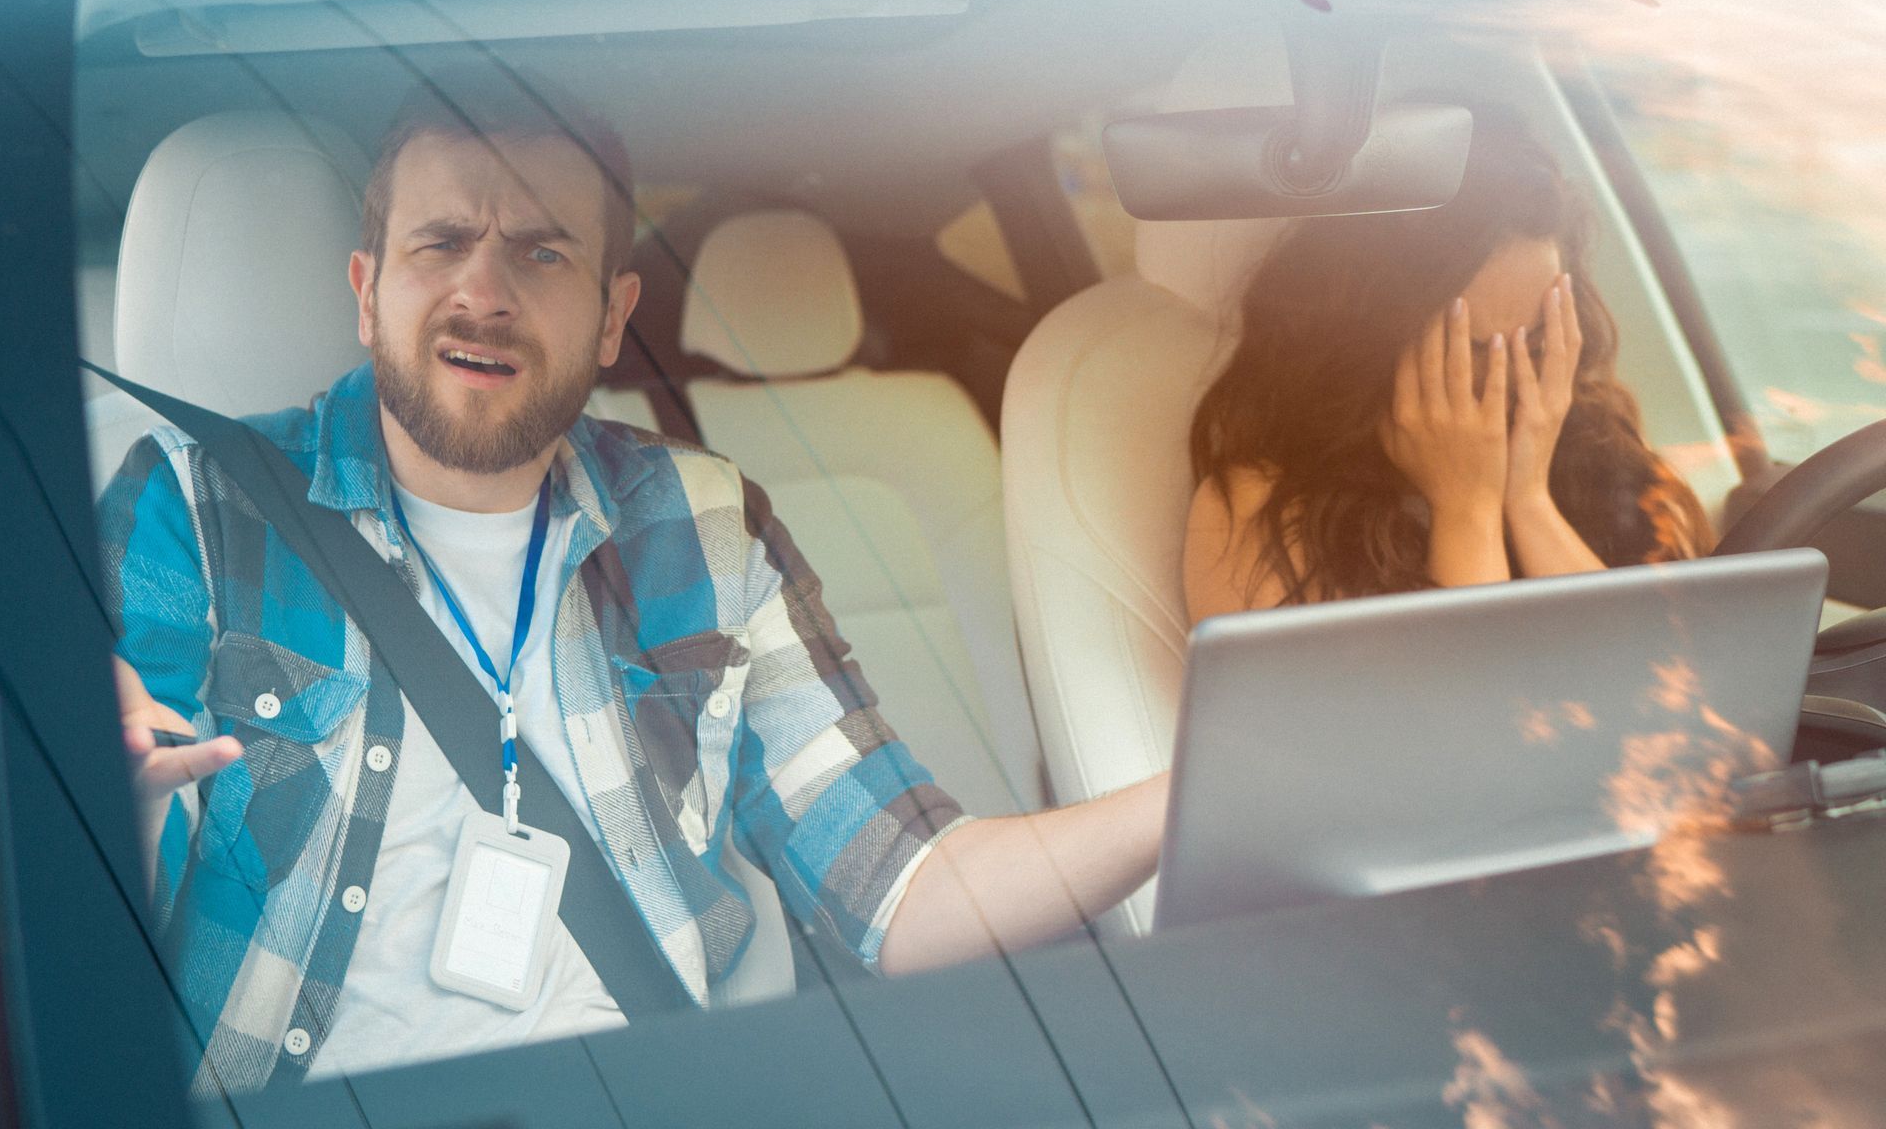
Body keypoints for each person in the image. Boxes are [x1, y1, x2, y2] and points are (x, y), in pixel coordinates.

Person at [105, 78, 1167, 1091]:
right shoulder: (194, 510)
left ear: (614, 316)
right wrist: (92, 794)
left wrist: (1186, 793)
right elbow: (83, 856)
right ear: (367, 290)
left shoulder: (701, 525)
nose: (484, 292)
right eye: (441, 243)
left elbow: (901, 883)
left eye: (542, 251)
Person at [1182, 116, 1713, 622]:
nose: (1513, 380)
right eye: (1473, 348)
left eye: (1535, 341)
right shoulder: (1259, 510)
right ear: (1371, 338)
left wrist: (1528, 501)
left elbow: (1646, 672)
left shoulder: (1595, 446)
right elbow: (1473, 686)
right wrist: (1466, 510)